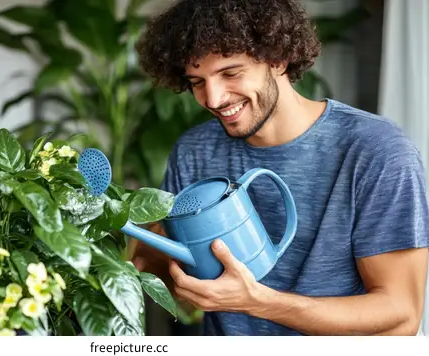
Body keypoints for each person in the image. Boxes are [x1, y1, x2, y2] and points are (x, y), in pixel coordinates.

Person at [131, 0, 429, 336]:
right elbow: (174, 278)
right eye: (197, 81)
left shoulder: (375, 149)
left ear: (278, 59)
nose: (213, 99)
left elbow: (402, 315)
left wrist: (257, 301)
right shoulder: (194, 150)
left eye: (231, 73)